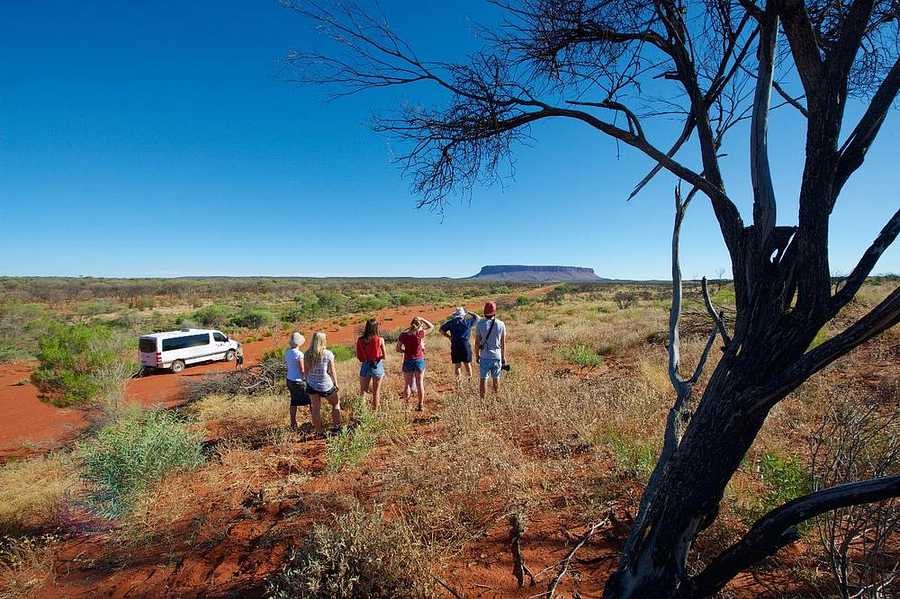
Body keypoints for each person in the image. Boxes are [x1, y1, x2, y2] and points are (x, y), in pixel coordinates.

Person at [304, 332, 343, 437]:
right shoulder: (328, 354)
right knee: (335, 404)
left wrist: (308, 382)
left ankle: (319, 432)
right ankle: (337, 428)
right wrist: (336, 383)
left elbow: (306, 372)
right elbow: (332, 371)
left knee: (315, 408)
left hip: (312, 385)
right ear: (323, 341)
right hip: (326, 384)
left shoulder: (307, 354)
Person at [396, 316, 434, 411]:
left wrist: (405, 351)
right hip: (419, 360)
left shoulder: (403, 335)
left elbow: (398, 349)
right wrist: (422, 319)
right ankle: (420, 405)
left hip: (408, 360)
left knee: (407, 384)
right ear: (419, 325)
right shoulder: (420, 334)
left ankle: (406, 405)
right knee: (419, 383)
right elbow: (431, 327)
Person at [439, 307, 479, 388]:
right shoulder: (467, 321)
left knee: (457, 366)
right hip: (465, 345)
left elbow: (441, 330)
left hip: (455, 345)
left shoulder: (451, 322)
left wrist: (449, 337)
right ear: (463, 315)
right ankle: (469, 383)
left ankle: (459, 385)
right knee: (467, 364)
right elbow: (478, 318)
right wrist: (469, 312)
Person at [475, 301, 507, 399]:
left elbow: (476, 343)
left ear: (484, 312)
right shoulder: (501, 324)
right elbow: (503, 343)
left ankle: (482, 401)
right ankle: (496, 399)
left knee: (483, 379)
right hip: (496, 356)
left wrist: (477, 356)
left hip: (484, 356)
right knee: (496, 378)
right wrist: (503, 357)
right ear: (494, 312)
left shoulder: (480, 324)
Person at [356, 318, 387, 410]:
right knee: (376, 392)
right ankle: (375, 411)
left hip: (365, 366)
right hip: (376, 365)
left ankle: (362, 412)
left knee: (363, 392)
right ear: (376, 328)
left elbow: (359, 356)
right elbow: (385, 356)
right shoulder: (380, 339)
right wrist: (378, 357)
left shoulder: (360, 340)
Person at [284, 332, 308, 430]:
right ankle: (315, 421)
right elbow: (302, 369)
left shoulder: (287, 352)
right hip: (299, 381)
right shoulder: (299, 354)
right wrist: (307, 377)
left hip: (290, 379)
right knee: (311, 400)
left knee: (294, 401)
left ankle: (293, 422)